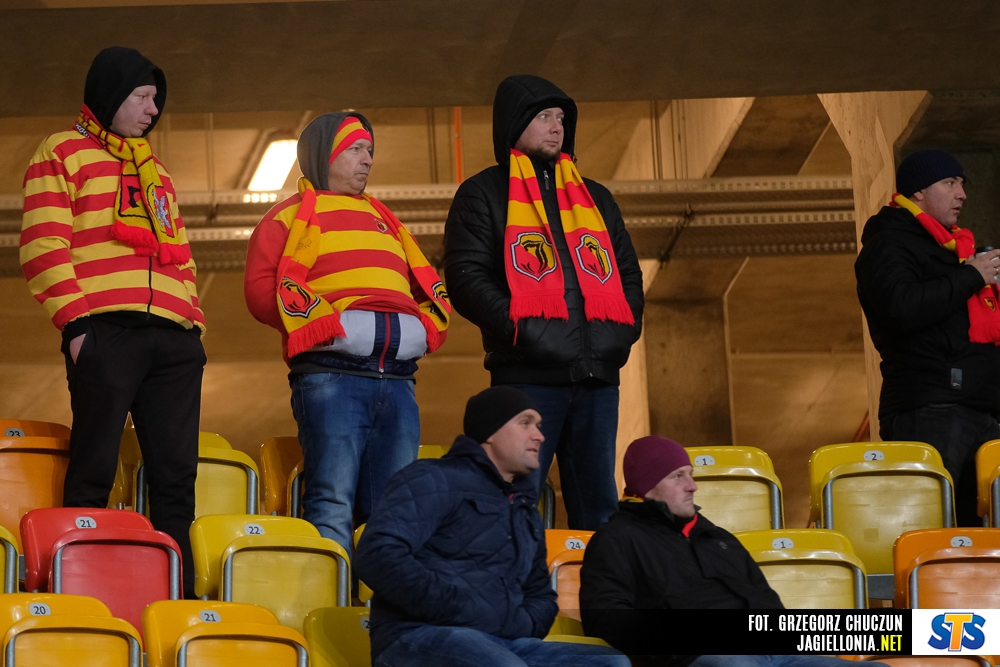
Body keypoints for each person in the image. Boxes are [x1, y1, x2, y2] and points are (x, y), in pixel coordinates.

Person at [20, 46, 206, 597]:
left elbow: (181, 253)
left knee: (177, 481)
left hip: (173, 339)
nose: (153, 110)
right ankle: (82, 597)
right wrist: (78, 327)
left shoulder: (156, 172)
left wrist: (193, 322)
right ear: (110, 94)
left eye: (155, 99)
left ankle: (178, 601)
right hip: (106, 332)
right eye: (143, 97)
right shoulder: (63, 151)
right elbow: (44, 245)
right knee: (93, 470)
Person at [244, 112, 451, 556]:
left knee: (392, 512)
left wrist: (422, 328)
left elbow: (425, 285)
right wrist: (324, 327)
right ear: (324, 155)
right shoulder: (284, 218)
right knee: (332, 501)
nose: (367, 160)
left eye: (369, 150)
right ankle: (334, 595)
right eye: (355, 149)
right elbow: (261, 292)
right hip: (331, 378)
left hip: (398, 379)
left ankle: (381, 598)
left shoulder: (387, 220)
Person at [444, 75, 644, 531]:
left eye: (561, 118)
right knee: (517, 502)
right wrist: (523, 329)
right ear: (514, 124)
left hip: (598, 378)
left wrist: (621, 332)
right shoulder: (483, 193)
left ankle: (594, 581)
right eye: (543, 117)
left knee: (599, 507)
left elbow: (628, 275)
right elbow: (465, 279)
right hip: (527, 377)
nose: (556, 127)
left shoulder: (596, 197)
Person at [355, 386, 630, 667]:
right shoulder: (432, 478)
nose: (540, 436)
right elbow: (377, 554)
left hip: (503, 641)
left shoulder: (524, 506)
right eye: (525, 423)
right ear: (490, 432)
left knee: (612, 663)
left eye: (538, 425)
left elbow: (540, 593)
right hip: (417, 635)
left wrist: (521, 623)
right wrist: (458, 608)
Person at [579, 437, 868, 667]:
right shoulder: (616, 539)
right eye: (678, 476)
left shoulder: (716, 537)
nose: (692, 486)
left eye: (690, 475)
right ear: (647, 485)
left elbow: (766, 602)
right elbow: (606, 618)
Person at [855, 150, 1000, 526]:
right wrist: (970, 277)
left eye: (962, 184)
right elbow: (901, 308)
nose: (961, 194)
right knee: (935, 529)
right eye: (950, 183)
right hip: (930, 408)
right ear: (918, 191)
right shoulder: (889, 243)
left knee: (982, 536)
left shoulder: (952, 249)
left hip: (980, 406)